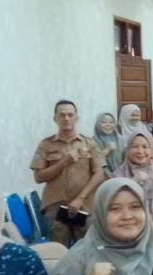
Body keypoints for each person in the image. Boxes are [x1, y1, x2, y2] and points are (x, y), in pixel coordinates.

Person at [31, 99, 106, 245]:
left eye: (70, 115)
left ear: (76, 118)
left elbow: (99, 174)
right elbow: (38, 177)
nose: (66, 118)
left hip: (84, 206)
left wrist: (80, 198)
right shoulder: (46, 145)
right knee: (58, 250)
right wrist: (63, 163)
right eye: (62, 115)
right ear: (55, 118)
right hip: (56, 208)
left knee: (86, 248)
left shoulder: (89, 143)